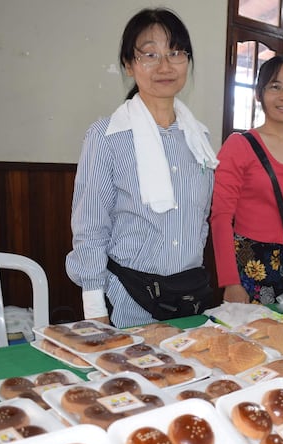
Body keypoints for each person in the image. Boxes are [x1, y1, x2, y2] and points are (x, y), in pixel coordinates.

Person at [66, 8, 218, 327]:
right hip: (127, 298)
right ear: (129, 64)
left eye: (175, 52)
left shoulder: (198, 138)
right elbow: (90, 227)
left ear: (187, 60)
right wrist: (95, 311)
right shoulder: (107, 136)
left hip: (189, 295)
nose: (164, 65)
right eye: (150, 54)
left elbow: (200, 220)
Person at [210, 55, 283, 304]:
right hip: (248, 264)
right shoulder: (239, 145)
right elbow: (220, 217)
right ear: (259, 94)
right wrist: (230, 281)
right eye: (275, 86)